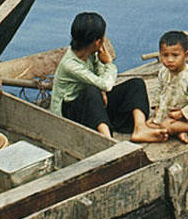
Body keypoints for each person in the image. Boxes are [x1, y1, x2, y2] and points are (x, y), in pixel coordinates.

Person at [49, 12, 168, 143]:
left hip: (91, 104)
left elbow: (99, 74)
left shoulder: (90, 52)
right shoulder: (70, 64)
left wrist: (102, 89)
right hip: (69, 113)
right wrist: (109, 63)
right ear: (97, 42)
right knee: (91, 91)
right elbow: (106, 84)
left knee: (136, 84)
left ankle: (140, 128)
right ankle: (107, 140)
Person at [148, 30, 188, 143]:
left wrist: (182, 113)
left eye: (175, 55)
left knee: (165, 127)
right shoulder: (164, 72)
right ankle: (180, 131)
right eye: (165, 55)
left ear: (186, 55)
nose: (170, 60)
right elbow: (159, 90)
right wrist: (157, 107)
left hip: (185, 115)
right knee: (149, 124)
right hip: (169, 110)